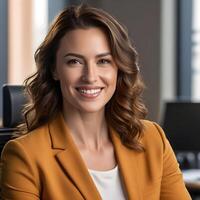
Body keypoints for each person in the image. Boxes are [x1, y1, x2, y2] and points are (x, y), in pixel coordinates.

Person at [0, 4, 191, 200]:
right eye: (74, 61)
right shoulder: (25, 155)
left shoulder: (152, 140)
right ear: (54, 70)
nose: (90, 77)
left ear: (119, 68)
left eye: (103, 61)